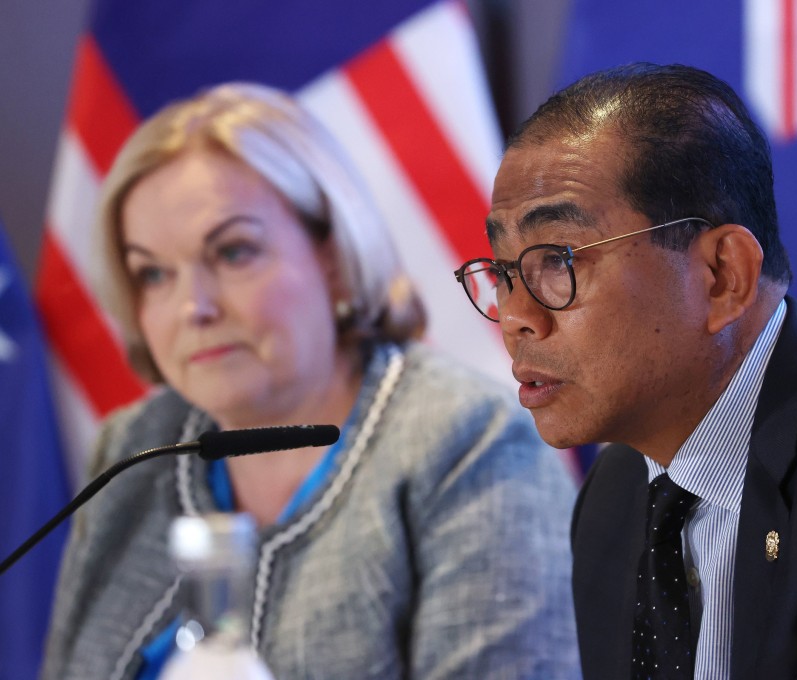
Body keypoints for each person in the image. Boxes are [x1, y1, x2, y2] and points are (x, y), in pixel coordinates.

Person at [453, 63, 797, 679]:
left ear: (724, 277)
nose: (514, 316)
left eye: (556, 261)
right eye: (504, 270)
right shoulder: (615, 490)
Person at [42, 82, 581, 680]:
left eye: (233, 252)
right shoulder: (134, 448)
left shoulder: (467, 442)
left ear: (331, 253)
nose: (192, 306)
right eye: (152, 274)